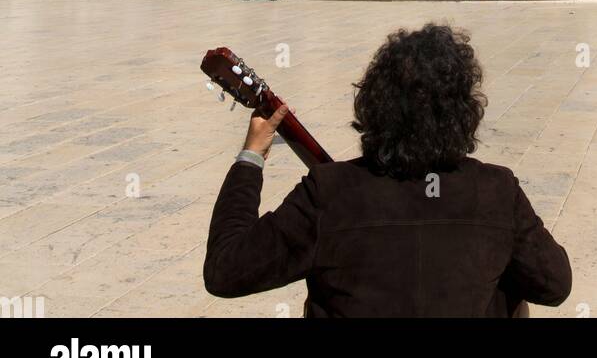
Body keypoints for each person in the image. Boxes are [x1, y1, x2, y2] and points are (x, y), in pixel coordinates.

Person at [203, 23, 572, 317]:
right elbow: (554, 285)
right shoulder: (495, 190)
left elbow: (225, 270)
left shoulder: (329, 193)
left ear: (373, 104)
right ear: (465, 112)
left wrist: (251, 156)